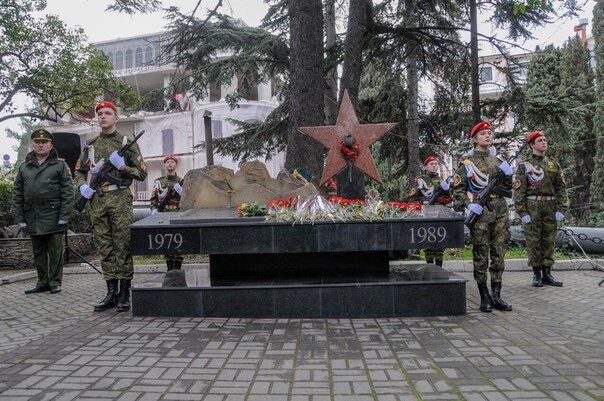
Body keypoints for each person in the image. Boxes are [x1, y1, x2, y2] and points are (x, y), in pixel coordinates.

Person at [74, 100, 147, 312]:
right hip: (97, 200)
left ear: (116, 118)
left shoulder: (126, 141)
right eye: (100, 113)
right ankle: (111, 292)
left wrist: (123, 167)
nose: (103, 116)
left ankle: (125, 293)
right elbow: (79, 171)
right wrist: (82, 188)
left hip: (120, 198)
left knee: (122, 244)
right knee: (104, 246)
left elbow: (142, 172)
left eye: (108, 113)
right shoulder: (91, 143)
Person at [452, 121, 514, 313]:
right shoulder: (467, 162)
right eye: (483, 134)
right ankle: (484, 295)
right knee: (481, 254)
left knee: (499, 253)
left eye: (489, 133)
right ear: (474, 139)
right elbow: (458, 188)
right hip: (480, 211)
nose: (488, 136)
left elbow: (508, 187)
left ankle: (497, 294)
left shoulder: (498, 161)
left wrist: (509, 175)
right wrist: (469, 204)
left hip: (501, 210)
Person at [12, 129, 74, 294]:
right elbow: (17, 193)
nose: (40, 145)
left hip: (54, 216)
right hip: (33, 216)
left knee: (55, 252)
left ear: (51, 145)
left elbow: (68, 193)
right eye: (37, 142)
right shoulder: (24, 167)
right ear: (33, 145)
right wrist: (20, 218)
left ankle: (54, 282)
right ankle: (42, 282)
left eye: (44, 142)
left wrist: (64, 217)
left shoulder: (60, 165)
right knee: (38, 252)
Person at [513, 130, 568, 287]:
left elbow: (561, 188)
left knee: (549, 240)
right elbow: (519, 191)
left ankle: (547, 274)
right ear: (532, 145)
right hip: (532, 206)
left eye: (545, 140)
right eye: (540, 140)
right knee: (534, 240)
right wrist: (522, 212)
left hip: (550, 206)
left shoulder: (553, 164)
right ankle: (537, 274)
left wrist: (562, 209)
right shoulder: (524, 166)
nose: (544, 142)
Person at [407, 155, 452, 267]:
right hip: (426, 213)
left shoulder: (441, 180)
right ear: (426, 167)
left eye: (436, 164)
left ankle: (439, 266)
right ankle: (430, 266)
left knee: (440, 240)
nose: (434, 166)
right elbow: (412, 198)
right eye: (431, 164)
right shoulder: (420, 180)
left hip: (440, 213)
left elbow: (448, 199)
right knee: (428, 240)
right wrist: (421, 205)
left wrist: (447, 190)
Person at [150, 154, 184, 270]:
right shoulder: (159, 182)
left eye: (172, 162)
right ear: (164, 165)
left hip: (178, 214)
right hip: (163, 214)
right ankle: (169, 267)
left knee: (179, 240)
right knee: (166, 240)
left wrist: (182, 193)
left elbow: (188, 199)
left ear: (176, 164)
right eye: (167, 162)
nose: (170, 163)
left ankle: (178, 267)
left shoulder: (182, 181)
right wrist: (154, 209)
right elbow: (154, 198)